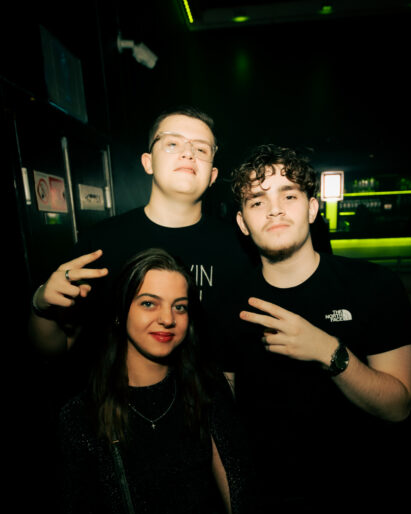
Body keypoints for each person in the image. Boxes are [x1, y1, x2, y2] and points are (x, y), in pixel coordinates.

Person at [226, 144, 411, 514]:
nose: (273, 208)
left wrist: (328, 351)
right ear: (243, 223)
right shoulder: (227, 304)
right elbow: (221, 432)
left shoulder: (375, 286)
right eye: (257, 200)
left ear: (313, 208)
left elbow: (399, 406)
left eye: (289, 195)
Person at [58, 248, 260, 514]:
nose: (167, 319)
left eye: (179, 306)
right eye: (149, 303)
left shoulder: (205, 388)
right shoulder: (80, 414)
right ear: (121, 312)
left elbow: (238, 479)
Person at [28, 105, 255, 393]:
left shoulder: (239, 248)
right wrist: (41, 306)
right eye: (172, 143)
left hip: (206, 410)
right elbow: (55, 348)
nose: (188, 153)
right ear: (148, 162)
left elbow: (240, 356)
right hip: (117, 410)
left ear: (212, 175)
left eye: (201, 149)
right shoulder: (101, 242)